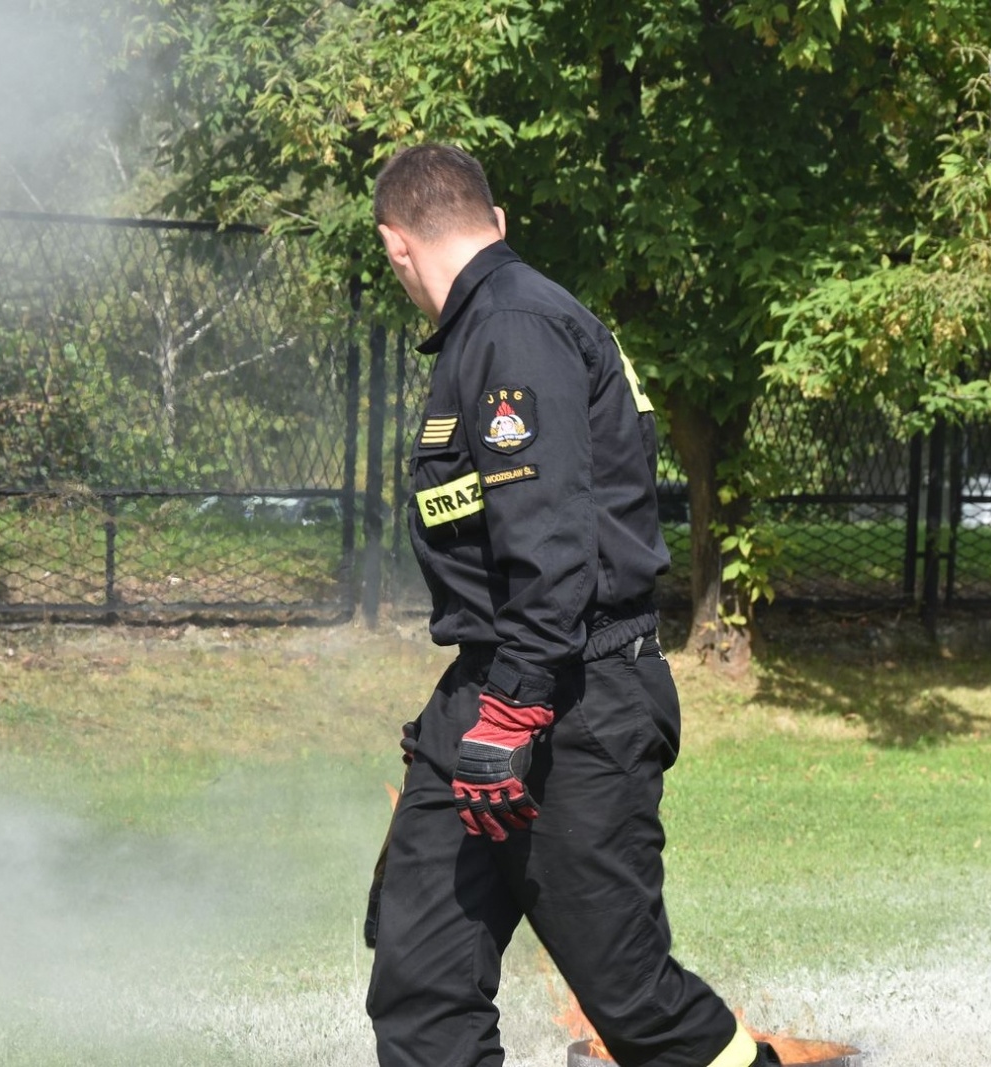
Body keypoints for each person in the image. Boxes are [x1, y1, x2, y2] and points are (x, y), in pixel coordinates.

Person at [364, 142, 778, 1067]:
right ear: (496, 222)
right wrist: (481, 708)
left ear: (395, 247)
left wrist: (512, 711)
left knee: (631, 995)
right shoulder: (489, 330)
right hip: (490, 694)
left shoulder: (514, 328)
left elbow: (550, 539)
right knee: (420, 974)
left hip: (570, 702)